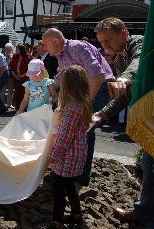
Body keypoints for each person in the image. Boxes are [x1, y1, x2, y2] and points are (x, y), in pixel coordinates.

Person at [90, 18, 148, 224]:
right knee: (148, 164)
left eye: (108, 41)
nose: (105, 47)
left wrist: (124, 78)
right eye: (102, 43)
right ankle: (144, 212)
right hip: (147, 118)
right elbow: (124, 98)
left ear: (123, 34)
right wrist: (102, 114)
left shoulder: (140, 42)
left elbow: (140, 61)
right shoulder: (119, 57)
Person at [42, 28, 114, 186]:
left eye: (45, 44)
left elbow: (97, 75)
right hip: (82, 92)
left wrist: (85, 105)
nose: (44, 48)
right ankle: (65, 171)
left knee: (85, 130)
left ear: (55, 41)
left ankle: (80, 176)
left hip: (98, 88)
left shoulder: (77, 48)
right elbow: (61, 78)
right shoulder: (62, 55)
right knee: (69, 128)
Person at [48, 65, 92, 227]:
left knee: (59, 189)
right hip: (76, 155)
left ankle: (56, 221)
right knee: (70, 186)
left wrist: (53, 154)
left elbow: (65, 136)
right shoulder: (81, 104)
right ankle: (76, 215)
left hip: (67, 156)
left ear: (69, 85)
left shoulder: (72, 108)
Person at [9, 44, 29, 110]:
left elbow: (29, 69)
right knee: (17, 93)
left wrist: (23, 75)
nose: (16, 50)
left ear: (21, 50)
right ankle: (17, 107)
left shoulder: (27, 57)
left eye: (17, 49)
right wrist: (15, 75)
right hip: (16, 78)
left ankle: (24, 107)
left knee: (24, 93)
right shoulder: (15, 57)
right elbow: (11, 67)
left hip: (25, 78)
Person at [4, 43, 15, 109]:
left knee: (10, 89)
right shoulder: (2, 55)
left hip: (11, 74)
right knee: (3, 89)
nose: (7, 50)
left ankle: (9, 104)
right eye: (6, 48)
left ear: (11, 49)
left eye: (9, 48)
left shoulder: (13, 56)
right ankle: (1, 103)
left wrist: (11, 57)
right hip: (4, 74)